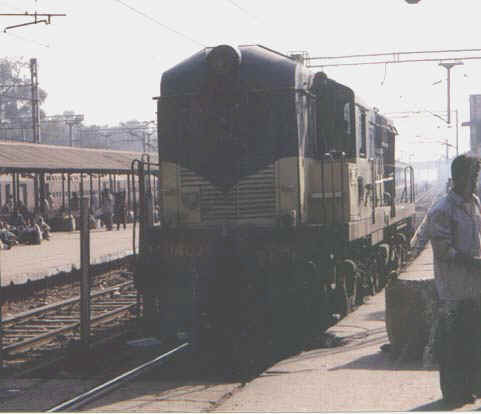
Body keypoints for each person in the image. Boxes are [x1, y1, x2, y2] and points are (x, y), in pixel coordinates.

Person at [426, 153, 481, 406]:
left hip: (474, 289)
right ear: (458, 178)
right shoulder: (442, 210)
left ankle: (469, 390)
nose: (476, 179)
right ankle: (453, 395)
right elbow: (442, 250)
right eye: (473, 174)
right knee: (452, 345)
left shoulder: (476, 204)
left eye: (477, 174)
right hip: (453, 290)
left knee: (472, 340)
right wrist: (472, 261)